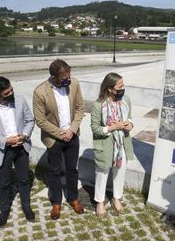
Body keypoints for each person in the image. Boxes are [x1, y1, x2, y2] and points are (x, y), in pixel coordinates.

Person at [0, 76, 36, 227]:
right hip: (2, 150)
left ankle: (26, 206)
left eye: (11, 89)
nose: (11, 93)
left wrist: (24, 135)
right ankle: (4, 210)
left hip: (21, 146)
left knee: (23, 180)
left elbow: (30, 120)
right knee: (4, 183)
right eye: (7, 92)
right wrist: (5, 141)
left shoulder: (20, 100)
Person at [33, 59, 85, 220]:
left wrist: (72, 130)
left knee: (72, 169)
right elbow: (40, 120)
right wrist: (61, 134)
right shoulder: (40, 92)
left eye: (69, 76)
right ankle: (56, 202)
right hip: (53, 139)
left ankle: (73, 198)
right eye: (64, 79)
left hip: (73, 135)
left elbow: (80, 108)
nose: (68, 80)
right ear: (54, 77)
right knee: (55, 171)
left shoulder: (74, 83)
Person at [90, 73, 134, 217]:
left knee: (120, 172)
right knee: (102, 174)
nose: (123, 88)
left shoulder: (126, 99)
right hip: (106, 145)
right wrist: (112, 127)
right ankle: (100, 202)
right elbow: (95, 129)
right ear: (110, 88)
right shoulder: (98, 105)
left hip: (122, 144)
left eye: (123, 85)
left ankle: (117, 199)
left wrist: (129, 125)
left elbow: (130, 118)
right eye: (120, 86)